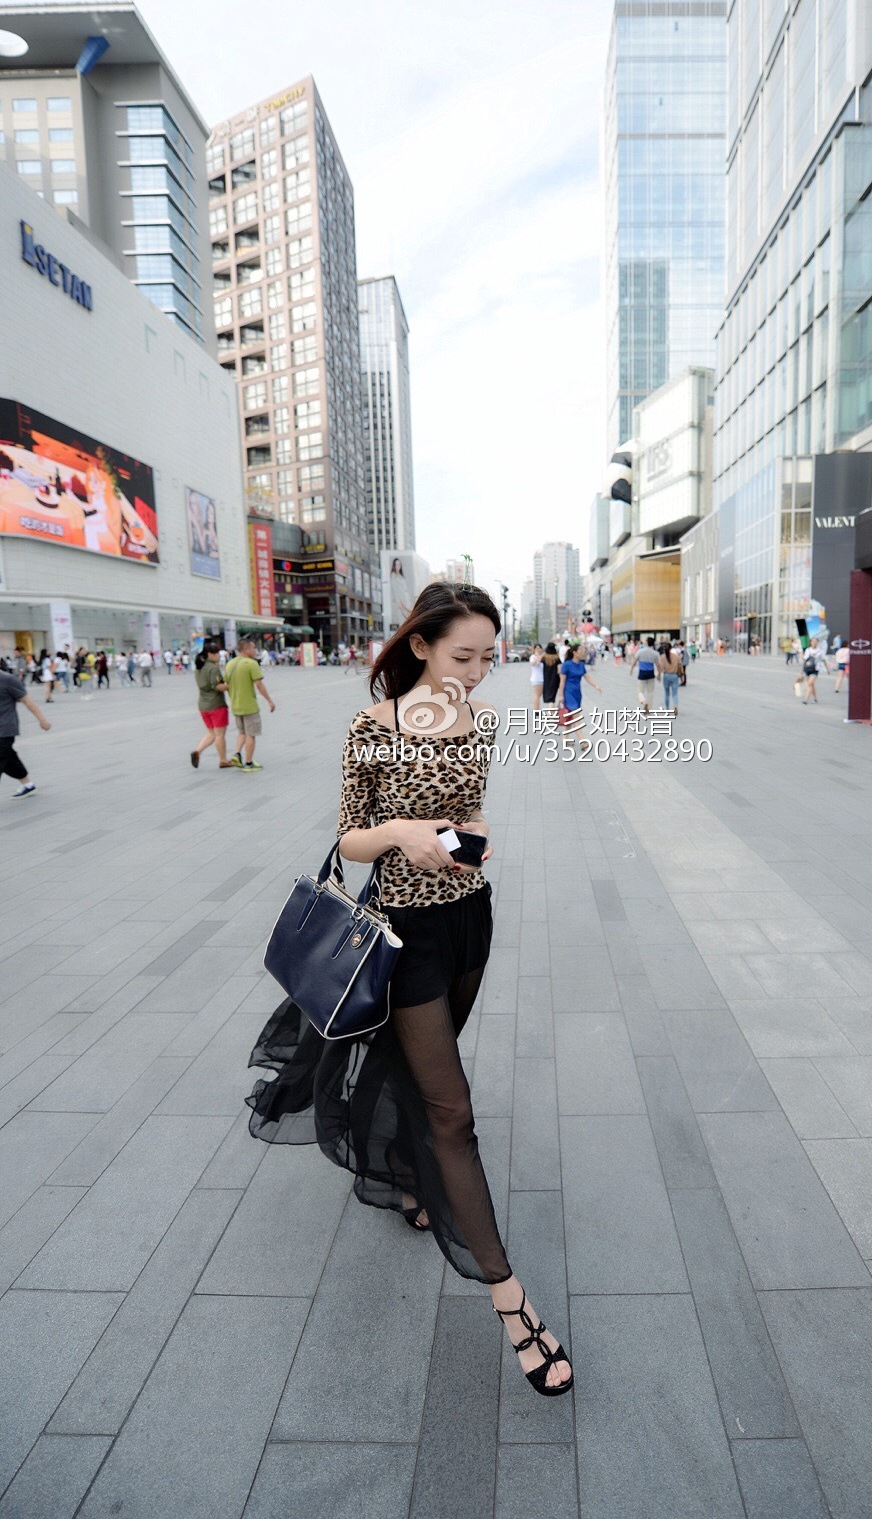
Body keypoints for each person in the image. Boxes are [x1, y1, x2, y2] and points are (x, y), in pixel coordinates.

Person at [246, 581, 573, 1395]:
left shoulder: (482, 723)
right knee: (452, 1112)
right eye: (463, 655)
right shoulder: (374, 728)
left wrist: (471, 841)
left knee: (424, 1069)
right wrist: (398, 833)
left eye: (489, 660)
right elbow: (351, 838)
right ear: (420, 645)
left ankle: (394, 1166)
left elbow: (475, 815)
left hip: (470, 922)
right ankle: (510, 1299)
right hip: (404, 937)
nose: (475, 674)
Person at [0, 658, 51, 797]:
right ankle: (28, 785)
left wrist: (42, 720)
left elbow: (28, 701)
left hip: (5, 729)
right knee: (10, 760)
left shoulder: (8, 680)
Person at [225, 637, 276, 769]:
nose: (255, 650)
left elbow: (227, 684)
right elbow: (259, 685)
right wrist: (270, 701)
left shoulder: (230, 664)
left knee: (242, 732)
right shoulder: (250, 663)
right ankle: (248, 762)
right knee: (251, 734)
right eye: (253, 648)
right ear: (246, 648)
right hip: (249, 706)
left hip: (236, 705)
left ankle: (237, 754)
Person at [191, 639, 237, 770]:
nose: (218, 656)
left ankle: (197, 752)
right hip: (216, 705)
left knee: (212, 733)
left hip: (203, 705)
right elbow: (216, 686)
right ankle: (223, 760)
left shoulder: (199, 668)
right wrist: (230, 685)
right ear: (210, 655)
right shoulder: (213, 668)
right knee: (219, 735)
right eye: (217, 654)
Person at [558, 642, 602, 755]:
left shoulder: (581, 665)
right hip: (568, 693)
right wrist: (561, 695)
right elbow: (562, 681)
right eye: (581, 650)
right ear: (574, 652)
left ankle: (564, 740)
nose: (583, 652)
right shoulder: (567, 665)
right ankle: (582, 741)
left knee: (569, 718)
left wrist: (596, 685)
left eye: (584, 650)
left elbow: (587, 677)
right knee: (576, 718)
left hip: (577, 694)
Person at [630, 636, 660, 713]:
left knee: (640, 691)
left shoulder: (640, 651)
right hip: (651, 673)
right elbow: (658, 665)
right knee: (650, 691)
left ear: (646, 643)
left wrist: (631, 669)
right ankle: (648, 707)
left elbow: (634, 661)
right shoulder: (655, 653)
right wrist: (659, 674)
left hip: (642, 673)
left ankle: (644, 701)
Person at [659, 640, 683, 715]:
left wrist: (659, 675)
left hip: (666, 675)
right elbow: (680, 665)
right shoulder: (676, 656)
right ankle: (675, 705)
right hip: (674, 675)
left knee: (667, 694)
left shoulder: (662, 657)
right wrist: (680, 673)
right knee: (675, 694)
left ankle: (667, 709)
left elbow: (660, 667)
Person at [528, 644, 544, 711]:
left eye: (539, 648)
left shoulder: (542, 657)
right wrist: (537, 657)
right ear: (534, 649)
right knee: (537, 695)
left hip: (542, 678)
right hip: (535, 679)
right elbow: (532, 664)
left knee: (539, 695)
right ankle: (536, 710)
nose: (538, 650)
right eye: (536, 648)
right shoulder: (532, 656)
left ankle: (536, 708)